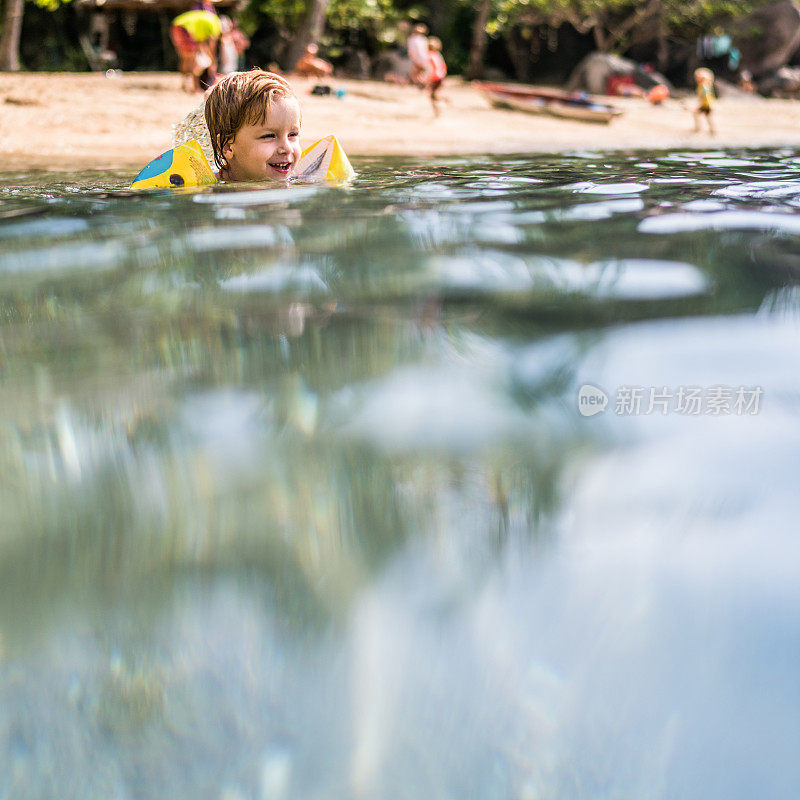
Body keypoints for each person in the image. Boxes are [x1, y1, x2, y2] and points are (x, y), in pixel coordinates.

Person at [204, 69, 302, 182]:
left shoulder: (304, 179)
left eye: (292, 134)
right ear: (227, 147)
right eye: (269, 136)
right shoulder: (208, 191)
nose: (287, 148)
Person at [171, 8, 221, 92]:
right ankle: (195, 87)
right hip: (183, 29)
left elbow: (201, 43)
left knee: (186, 58)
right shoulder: (215, 27)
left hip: (177, 25)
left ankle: (185, 84)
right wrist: (213, 62)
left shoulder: (211, 20)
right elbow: (211, 46)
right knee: (193, 59)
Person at [427, 37, 447, 116]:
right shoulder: (438, 55)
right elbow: (443, 66)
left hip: (435, 77)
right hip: (440, 76)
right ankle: (437, 112)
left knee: (433, 96)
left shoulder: (429, 55)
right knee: (433, 95)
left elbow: (430, 68)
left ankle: (438, 112)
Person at [693, 67, 716, 135]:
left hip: (706, 105)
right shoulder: (702, 85)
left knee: (706, 117)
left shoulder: (705, 86)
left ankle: (701, 129)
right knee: (707, 117)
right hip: (705, 104)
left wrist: (706, 104)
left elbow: (706, 95)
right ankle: (710, 130)